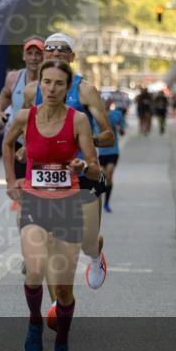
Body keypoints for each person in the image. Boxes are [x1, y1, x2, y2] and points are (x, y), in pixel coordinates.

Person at [3, 59, 100, 351]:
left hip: (68, 204)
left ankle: (62, 342)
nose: (52, 88)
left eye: (59, 83)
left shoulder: (78, 121)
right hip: (33, 202)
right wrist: (10, 181)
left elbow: (95, 168)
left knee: (63, 289)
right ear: (39, 84)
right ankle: (34, 322)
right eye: (47, 82)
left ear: (67, 87)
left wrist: (82, 167)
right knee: (35, 268)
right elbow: (7, 143)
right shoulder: (24, 116)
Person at [22, 33, 114, 293]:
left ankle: (95, 255)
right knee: (51, 242)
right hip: (47, 175)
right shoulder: (32, 91)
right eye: (50, 49)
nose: (55, 53)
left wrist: (81, 140)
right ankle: (55, 305)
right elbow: (26, 130)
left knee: (86, 242)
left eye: (62, 50)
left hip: (82, 172)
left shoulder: (85, 90)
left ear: (72, 57)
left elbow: (108, 136)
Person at [0, 36, 45, 212]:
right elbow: (5, 94)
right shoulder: (14, 77)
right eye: (29, 53)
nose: (33, 58)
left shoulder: (50, 81)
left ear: (44, 55)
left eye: (38, 53)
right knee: (23, 195)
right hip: (19, 144)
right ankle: (28, 232)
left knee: (41, 193)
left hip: (44, 145)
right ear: (24, 56)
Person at [98, 98, 126, 213]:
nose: (106, 104)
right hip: (100, 152)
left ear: (111, 103)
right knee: (103, 176)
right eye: (103, 102)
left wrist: (120, 129)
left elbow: (122, 129)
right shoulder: (96, 116)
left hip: (113, 151)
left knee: (109, 174)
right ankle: (101, 199)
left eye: (108, 102)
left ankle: (106, 203)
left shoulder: (116, 114)